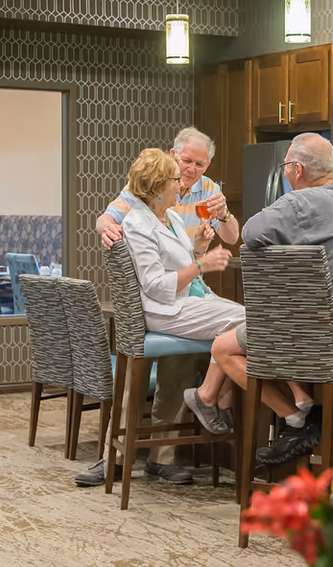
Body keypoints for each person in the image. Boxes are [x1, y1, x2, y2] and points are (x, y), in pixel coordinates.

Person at [183, 133, 333, 465]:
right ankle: (228, 398)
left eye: (286, 165)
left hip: (323, 337)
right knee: (261, 331)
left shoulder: (297, 202)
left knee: (222, 347)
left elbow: (250, 234)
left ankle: (296, 419)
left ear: (297, 170)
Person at [75, 149, 242, 488]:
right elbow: (154, 285)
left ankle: (162, 457)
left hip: (186, 303)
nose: (182, 181)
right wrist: (201, 265)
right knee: (242, 325)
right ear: (157, 187)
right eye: (175, 178)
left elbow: (177, 262)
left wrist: (197, 249)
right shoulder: (137, 222)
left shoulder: (172, 217)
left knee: (180, 365)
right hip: (165, 309)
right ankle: (117, 456)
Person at [96, 127, 239, 248]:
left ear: (207, 165)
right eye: (186, 161)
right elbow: (106, 218)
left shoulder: (210, 189)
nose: (191, 169)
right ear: (173, 155)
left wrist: (223, 214)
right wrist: (108, 229)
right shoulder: (150, 184)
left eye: (199, 165)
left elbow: (232, 239)